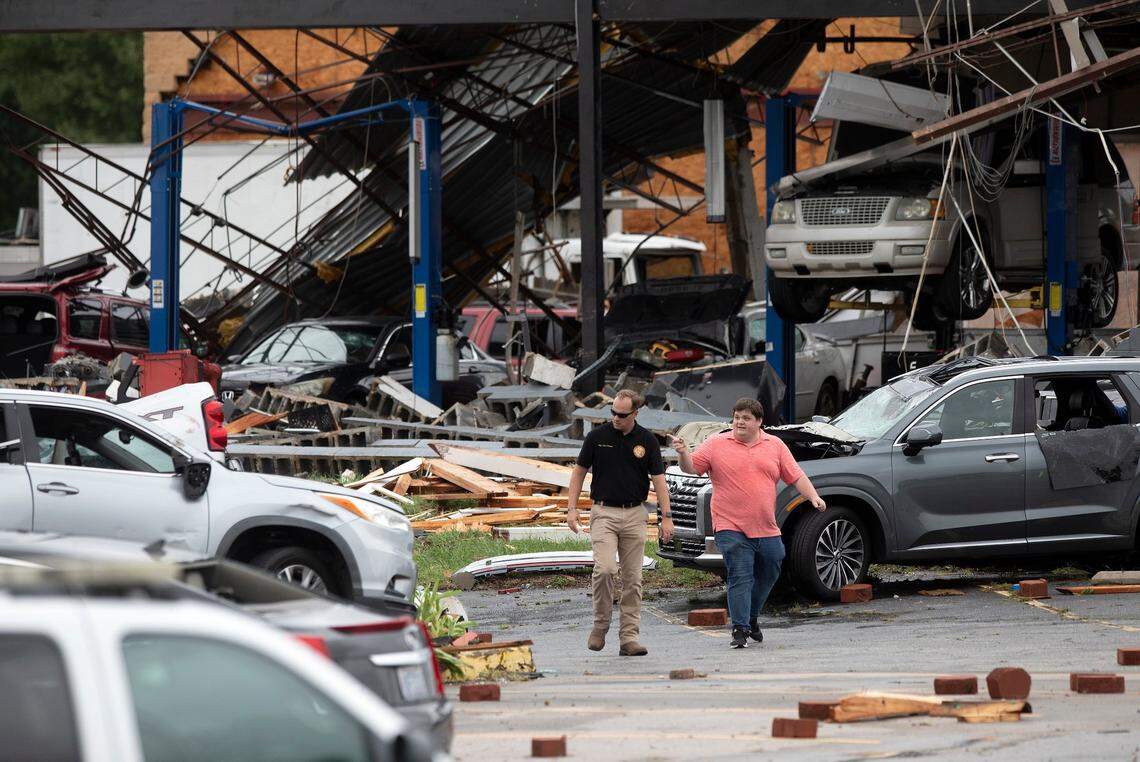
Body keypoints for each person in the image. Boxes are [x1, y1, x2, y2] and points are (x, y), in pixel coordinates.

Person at [671, 397, 824, 649]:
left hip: (765, 526)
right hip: (729, 524)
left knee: (772, 566)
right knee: (741, 575)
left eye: (746, 418)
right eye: (736, 417)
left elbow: (795, 475)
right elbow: (691, 468)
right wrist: (683, 453)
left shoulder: (774, 445)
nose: (739, 422)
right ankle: (740, 628)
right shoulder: (716, 443)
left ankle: (751, 616)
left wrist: (814, 497)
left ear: (759, 422)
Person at [567, 389, 673, 656]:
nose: (616, 418)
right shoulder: (596, 437)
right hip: (603, 512)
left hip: (636, 513)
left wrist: (666, 517)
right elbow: (579, 472)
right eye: (613, 412)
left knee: (633, 578)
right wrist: (571, 509)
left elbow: (659, 481)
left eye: (622, 415)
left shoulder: (647, 440)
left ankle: (629, 637)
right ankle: (600, 626)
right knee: (604, 569)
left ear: (635, 413)